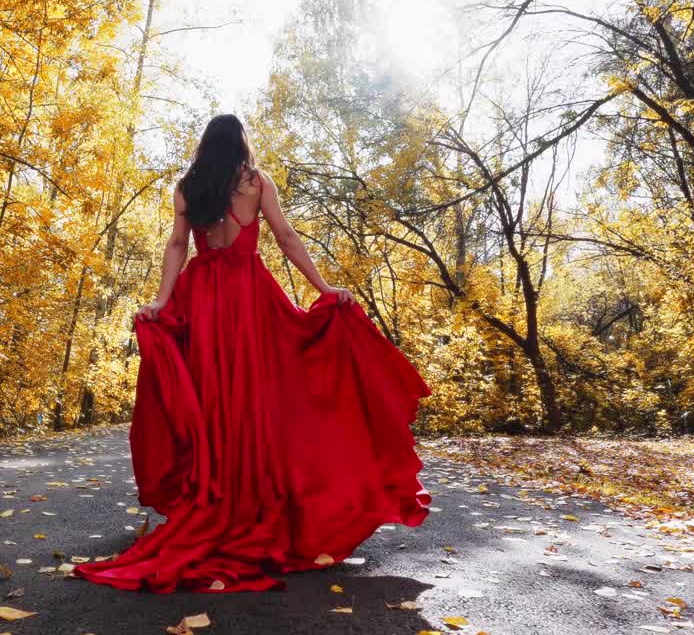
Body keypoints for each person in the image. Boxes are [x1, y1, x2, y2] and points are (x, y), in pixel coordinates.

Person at [73, 114, 431, 593]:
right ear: (240, 143)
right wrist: (322, 287)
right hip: (248, 295)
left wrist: (161, 301)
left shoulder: (188, 187)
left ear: (205, 146)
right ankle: (255, 499)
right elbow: (284, 237)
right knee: (260, 397)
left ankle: (218, 494)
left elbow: (179, 245)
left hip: (203, 297)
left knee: (215, 398)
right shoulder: (255, 182)